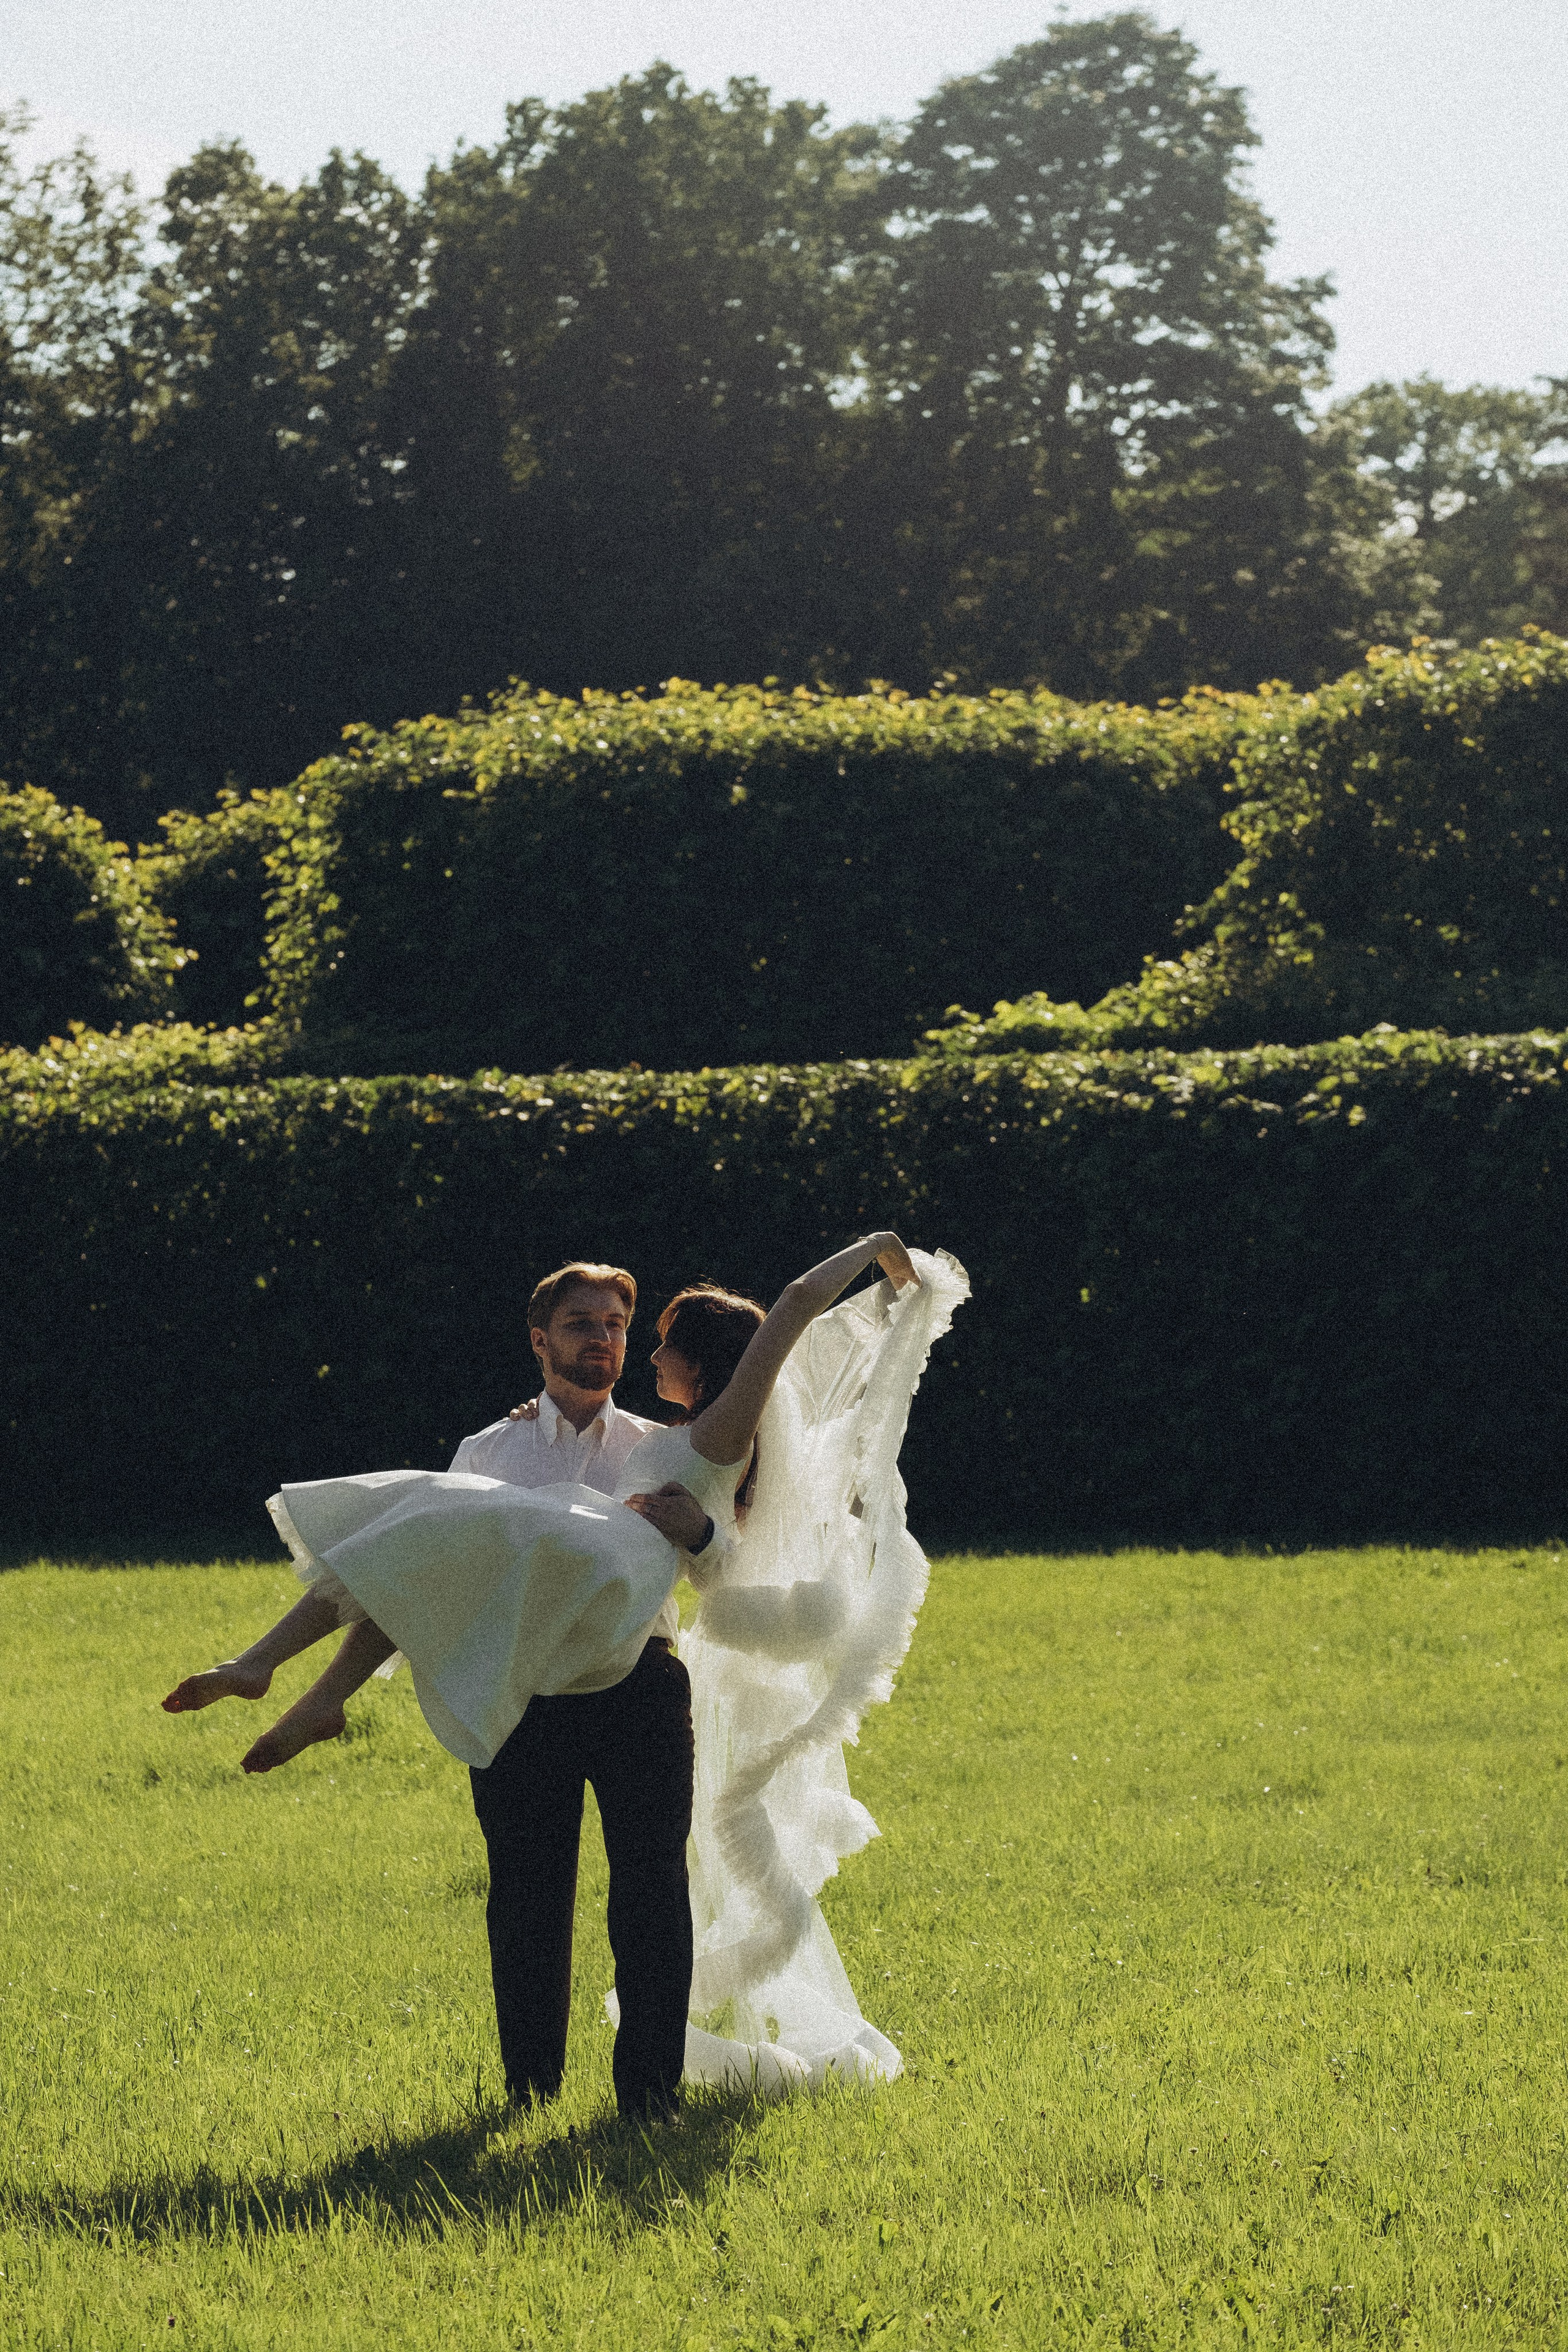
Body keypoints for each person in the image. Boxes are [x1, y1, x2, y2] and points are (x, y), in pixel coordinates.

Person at [164, 1231, 922, 2117]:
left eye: (618, 1325)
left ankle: (649, 2095)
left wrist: (701, 1534)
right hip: (526, 1694)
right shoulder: (492, 1449)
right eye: (582, 1324)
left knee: (650, 1891)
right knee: (525, 1895)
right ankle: (530, 2089)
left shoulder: (672, 1443)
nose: (606, 1340)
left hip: (638, 1686)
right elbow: (436, 1593)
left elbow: (736, 1573)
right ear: (541, 1340)